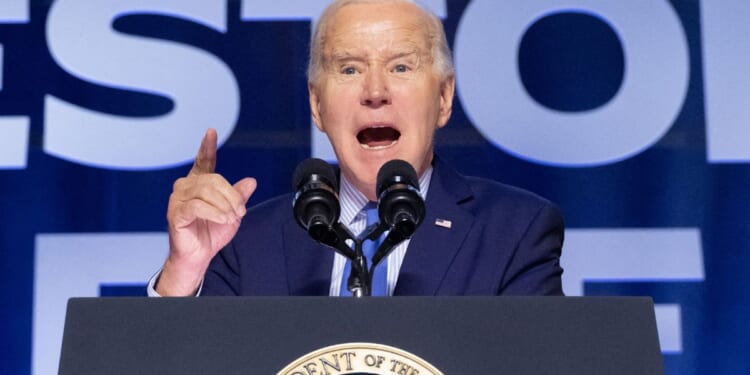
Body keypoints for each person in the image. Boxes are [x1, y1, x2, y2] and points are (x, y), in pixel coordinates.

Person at [151, 0, 564, 297]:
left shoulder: (515, 231)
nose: (375, 91)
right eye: (349, 68)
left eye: (401, 66)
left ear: (443, 97)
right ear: (317, 104)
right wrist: (182, 274)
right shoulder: (244, 242)